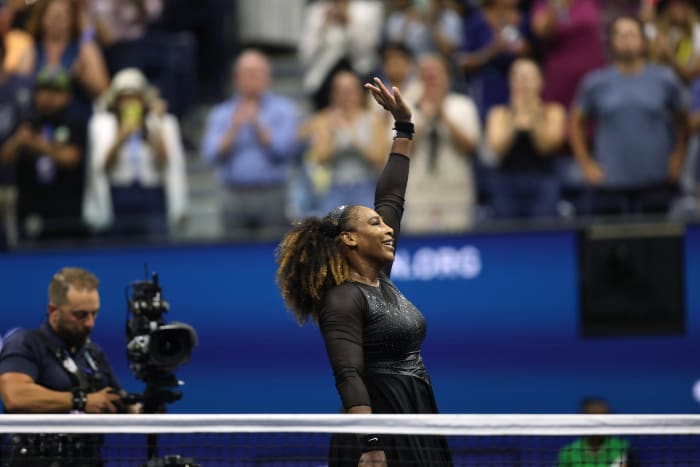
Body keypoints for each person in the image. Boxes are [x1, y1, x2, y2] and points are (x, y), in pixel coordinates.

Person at [275, 77, 452, 466]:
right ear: (351, 240)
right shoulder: (341, 299)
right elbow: (348, 375)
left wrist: (403, 127)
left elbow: (391, 197)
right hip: (377, 431)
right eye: (375, 225)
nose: (387, 228)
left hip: (416, 414)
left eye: (383, 224)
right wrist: (371, 443)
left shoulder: (380, 277)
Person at [0, 267, 132, 467]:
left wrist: (140, 407)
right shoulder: (26, 342)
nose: (89, 323)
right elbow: (16, 396)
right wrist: (81, 401)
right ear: (53, 311)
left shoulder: (93, 353)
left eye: (94, 314)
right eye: (80, 315)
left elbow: (113, 400)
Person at [570, 15, 689, 216]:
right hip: (610, 182)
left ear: (642, 41)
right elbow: (575, 122)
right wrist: (586, 164)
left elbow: (683, 122)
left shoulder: (664, 80)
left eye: (632, 34)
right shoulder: (595, 83)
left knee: (657, 244)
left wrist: (678, 157)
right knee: (612, 245)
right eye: (621, 35)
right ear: (612, 43)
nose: (627, 39)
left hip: (656, 180)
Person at [201, 49, 300, 239]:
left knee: (274, 253)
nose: (253, 78)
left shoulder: (285, 110)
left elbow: (286, 150)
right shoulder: (221, 113)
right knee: (233, 255)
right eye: (247, 73)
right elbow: (211, 154)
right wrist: (234, 128)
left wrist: (258, 125)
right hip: (233, 193)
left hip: (272, 192)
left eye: (258, 73)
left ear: (268, 77)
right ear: (236, 78)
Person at [83, 67, 188, 239]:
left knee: (155, 250)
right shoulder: (103, 125)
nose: (129, 103)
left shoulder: (159, 122)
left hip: (151, 195)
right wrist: (122, 135)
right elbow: (102, 165)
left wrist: (156, 124)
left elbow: (165, 160)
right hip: (120, 195)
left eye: (134, 98)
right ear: (116, 101)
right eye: (124, 98)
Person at [0, 67, 87, 241]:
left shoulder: (75, 122)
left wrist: (40, 146)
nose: (48, 96)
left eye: (55, 91)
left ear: (68, 95)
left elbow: (72, 158)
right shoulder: (26, 121)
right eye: (43, 90)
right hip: (30, 211)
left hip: (68, 213)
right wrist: (18, 141)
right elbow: (4, 159)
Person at [403, 54, 481, 233]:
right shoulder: (406, 108)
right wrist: (424, 117)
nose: (431, 80)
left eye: (435, 74)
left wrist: (443, 114)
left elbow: (470, 148)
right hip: (417, 191)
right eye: (425, 74)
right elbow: (400, 151)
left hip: (455, 191)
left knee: (458, 244)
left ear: (447, 77)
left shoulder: (463, 105)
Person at [485, 58, 566, 219]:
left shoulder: (553, 111)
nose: (522, 82)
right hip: (506, 180)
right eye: (517, 77)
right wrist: (515, 116)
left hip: (543, 179)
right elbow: (498, 149)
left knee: (543, 230)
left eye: (528, 77)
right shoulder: (499, 113)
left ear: (540, 81)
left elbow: (546, 146)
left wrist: (534, 113)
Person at [557, 398, 632, 467]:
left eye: (604, 417)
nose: (600, 424)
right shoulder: (568, 452)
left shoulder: (624, 447)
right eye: (594, 419)